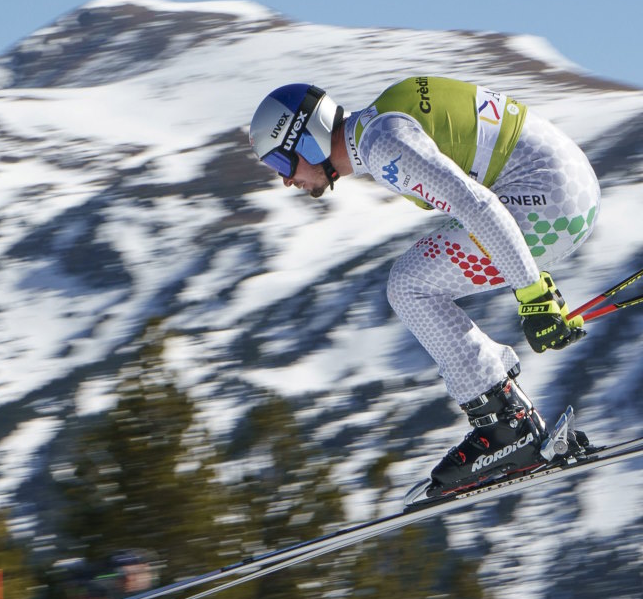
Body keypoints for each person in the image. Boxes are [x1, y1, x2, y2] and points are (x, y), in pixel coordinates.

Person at [249, 77, 600, 496]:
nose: (286, 182)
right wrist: (532, 286)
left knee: (410, 286)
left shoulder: (384, 146)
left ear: (307, 141)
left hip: (551, 203)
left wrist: (532, 296)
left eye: (282, 165)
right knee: (413, 280)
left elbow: (478, 205)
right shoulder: (378, 128)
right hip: (556, 191)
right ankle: (508, 419)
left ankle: (508, 427)